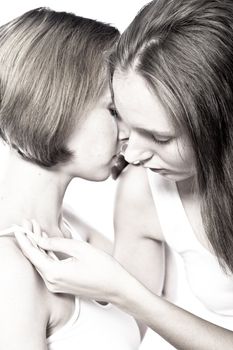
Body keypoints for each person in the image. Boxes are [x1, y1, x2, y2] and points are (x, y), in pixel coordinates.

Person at [15, 0, 233, 349]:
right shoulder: (143, 190)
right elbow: (123, 332)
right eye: (123, 118)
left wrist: (127, 293)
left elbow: (130, 301)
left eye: (161, 137)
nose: (131, 155)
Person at [0, 7, 142, 350]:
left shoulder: (74, 233)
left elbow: (147, 311)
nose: (128, 132)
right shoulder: (10, 269)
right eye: (113, 110)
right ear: (54, 105)